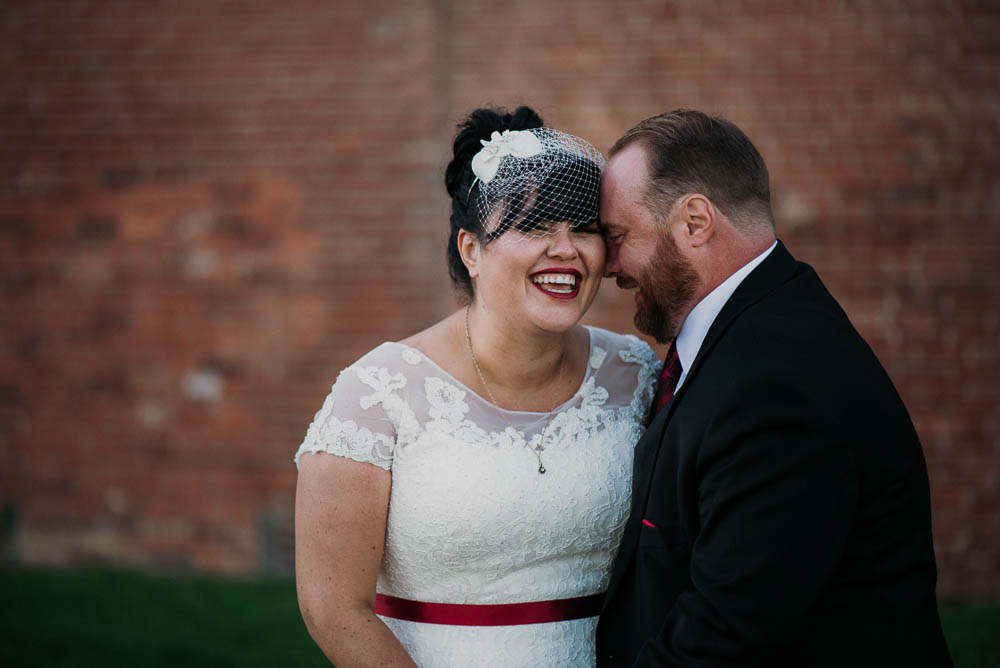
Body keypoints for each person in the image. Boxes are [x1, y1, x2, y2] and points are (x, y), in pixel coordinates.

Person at [294, 106, 660, 667]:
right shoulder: (377, 393)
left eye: (584, 227)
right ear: (471, 250)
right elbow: (333, 609)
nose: (565, 249)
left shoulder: (636, 374)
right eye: (534, 226)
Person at [595, 109, 953, 667]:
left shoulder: (775, 382)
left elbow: (727, 634)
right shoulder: (760, 326)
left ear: (694, 221)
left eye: (618, 236)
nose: (607, 264)